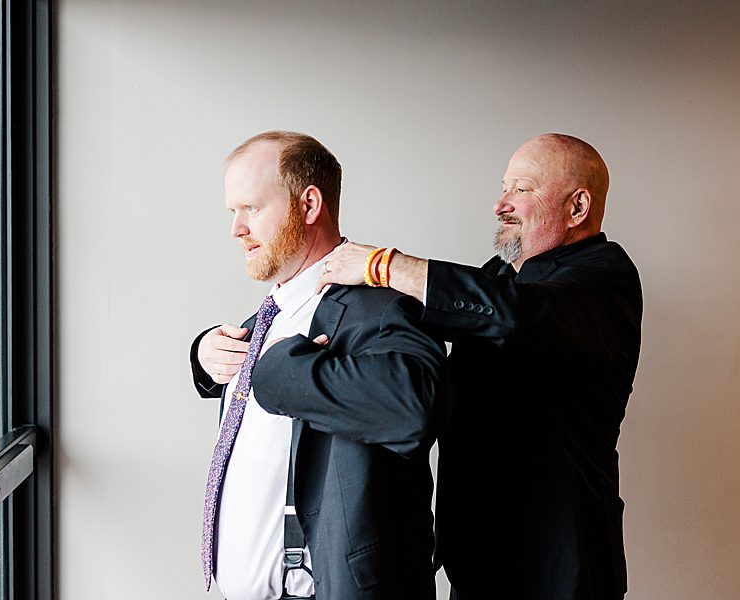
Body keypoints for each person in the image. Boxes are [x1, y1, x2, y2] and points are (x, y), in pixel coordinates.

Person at [318, 134, 642, 600]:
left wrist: (382, 265)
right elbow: (427, 312)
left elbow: (511, 313)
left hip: (558, 568)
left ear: (577, 208)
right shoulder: (500, 274)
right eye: (504, 187)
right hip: (480, 560)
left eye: (522, 189)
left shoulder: (605, 277)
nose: (500, 204)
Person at [189, 131, 448, 600]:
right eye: (232, 212)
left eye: (251, 208)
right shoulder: (275, 313)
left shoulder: (383, 307)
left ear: (309, 205)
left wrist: (282, 371)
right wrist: (204, 355)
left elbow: (414, 407)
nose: (236, 228)